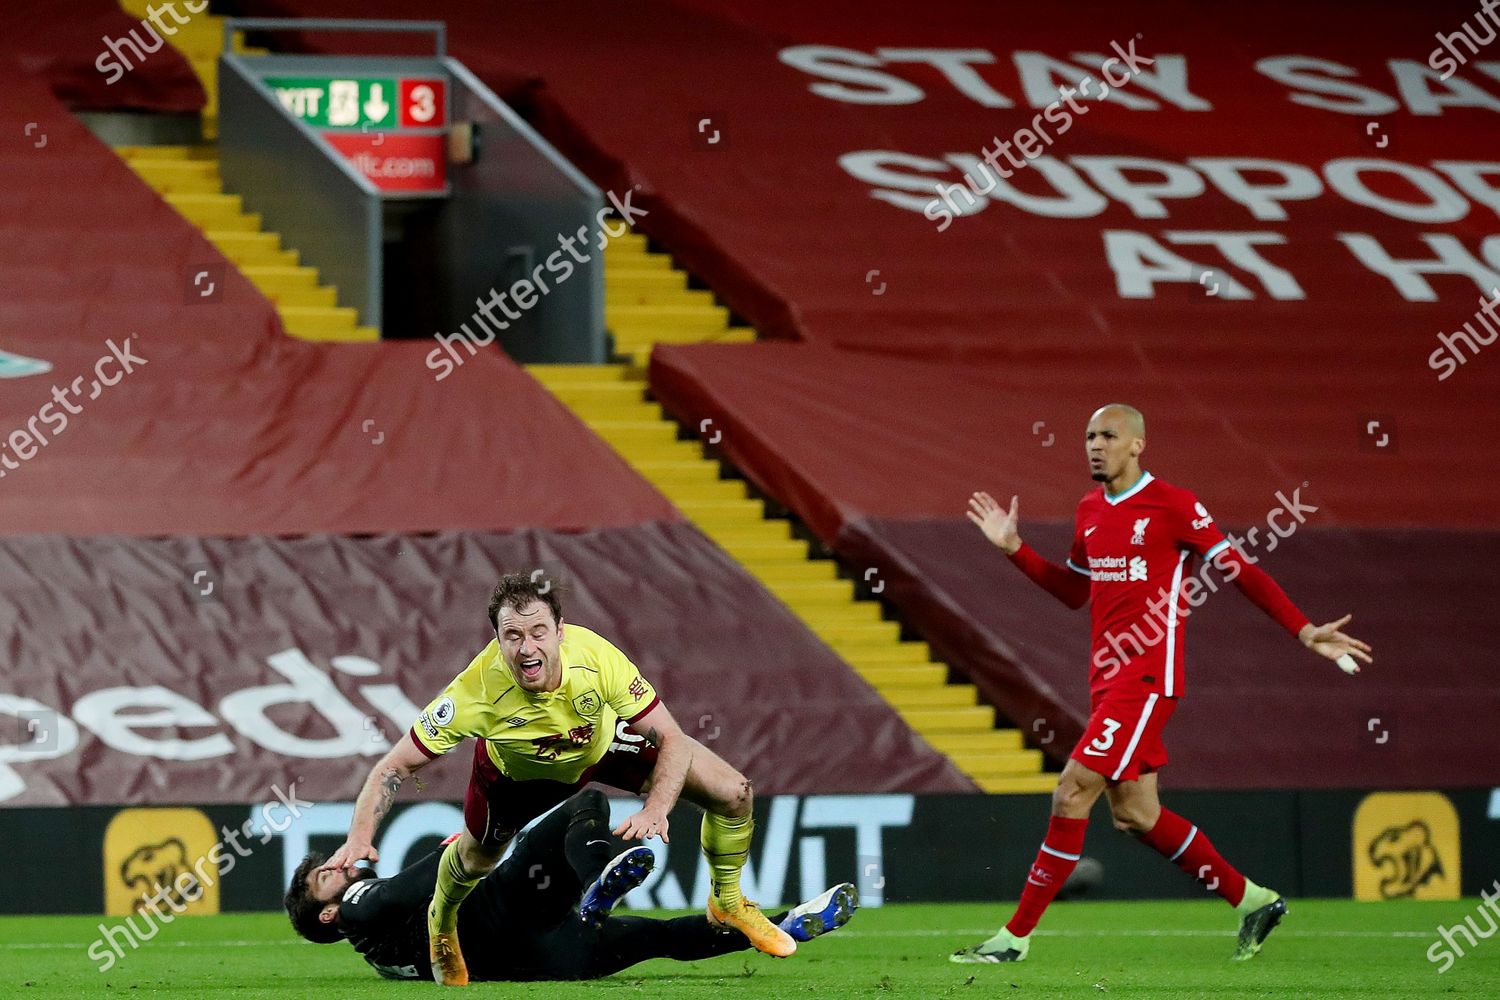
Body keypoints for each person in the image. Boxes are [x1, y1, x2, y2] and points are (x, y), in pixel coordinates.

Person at [953, 404, 1372, 964]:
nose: (1094, 445)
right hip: (1107, 680)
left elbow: (1238, 569)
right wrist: (1015, 550)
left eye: (1107, 435)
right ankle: (1254, 900)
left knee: (1073, 790)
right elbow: (1075, 590)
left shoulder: (1174, 505)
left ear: (1138, 445)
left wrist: (1302, 629)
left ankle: (1013, 939)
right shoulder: (1089, 510)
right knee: (1135, 814)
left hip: (1147, 677)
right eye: (1088, 436)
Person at [320, 573, 797, 985]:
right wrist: (360, 837)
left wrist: (656, 809)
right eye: (512, 635)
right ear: (496, 639)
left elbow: (671, 737)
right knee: (472, 861)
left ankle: (728, 901)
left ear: (560, 632)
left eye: (537, 632)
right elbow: (394, 766)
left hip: (599, 748)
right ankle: (441, 925)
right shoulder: (472, 693)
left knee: (734, 794)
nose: (527, 647)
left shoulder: (597, 659)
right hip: (514, 780)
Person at [286, 789, 857, 981]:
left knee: (662, 939)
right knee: (585, 803)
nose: (338, 867)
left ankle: (786, 924)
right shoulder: (358, 912)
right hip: (507, 909)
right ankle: (595, 883)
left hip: (546, 958)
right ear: (327, 915)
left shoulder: (379, 958)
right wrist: (467, 848)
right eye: (323, 878)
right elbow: (396, 894)